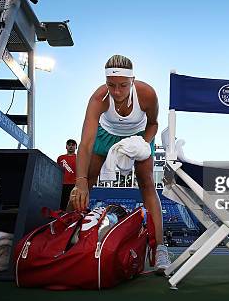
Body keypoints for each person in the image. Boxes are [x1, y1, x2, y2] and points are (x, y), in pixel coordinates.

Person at [69, 55, 171, 273]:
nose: (116, 92)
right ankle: (65, 233)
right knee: (86, 181)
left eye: (123, 85)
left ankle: (160, 248)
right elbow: (86, 144)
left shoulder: (147, 94)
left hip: (138, 136)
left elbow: (153, 124)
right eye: (111, 85)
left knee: (147, 184)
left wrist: (142, 144)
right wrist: (80, 181)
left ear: (132, 80)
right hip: (106, 136)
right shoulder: (98, 98)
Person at [57, 139, 77, 210]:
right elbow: (57, 171)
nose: (71, 146)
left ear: (75, 147)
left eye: (73, 145)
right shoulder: (60, 158)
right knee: (61, 204)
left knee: (73, 204)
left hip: (74, 184)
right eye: (69, 145)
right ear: (66, 146)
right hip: (62, 184)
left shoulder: (78, 158)